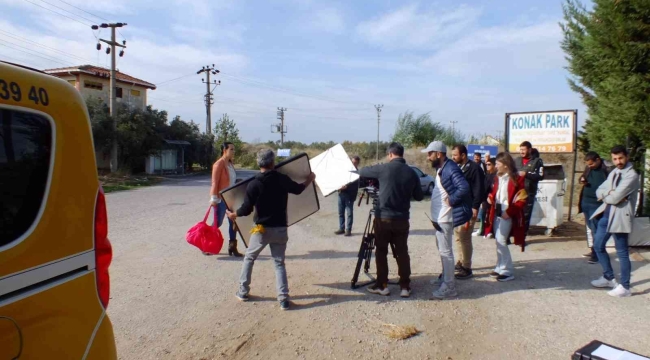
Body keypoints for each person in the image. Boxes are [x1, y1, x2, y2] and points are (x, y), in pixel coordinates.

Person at [226, 149, 316, 310]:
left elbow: (246, 209)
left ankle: (243, 292)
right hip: (280, 228)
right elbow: (298, 189)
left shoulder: (254, 184)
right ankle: (283, 300)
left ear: (258, 163)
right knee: (279, 263)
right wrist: (309, 179)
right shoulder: (282, 179)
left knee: (249, 258)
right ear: (273, 163)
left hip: (261, 230)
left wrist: (234, 214)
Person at [358, 142, 424, 298]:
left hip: (383, 219)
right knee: (402, 252)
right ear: (402, 154)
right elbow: (419, 197)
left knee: (381, 251)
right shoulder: (412, 172)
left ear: (390, 154)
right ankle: (405, 287)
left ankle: (382, 285)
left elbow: (362, 171)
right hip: (402, 219)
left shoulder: (383, 168)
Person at [422, 141, 471, 299]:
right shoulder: (442, 168)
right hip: (439, 218)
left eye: (430, 153)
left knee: (446, 252)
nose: (428, 157)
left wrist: (452, 200)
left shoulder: (450, 168)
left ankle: (449, 287)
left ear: (439, 154)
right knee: (443, 251)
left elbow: (464, 187)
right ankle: (445, 279)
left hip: (444, 218)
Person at [590, 145, 639, 298]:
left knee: (622, 252)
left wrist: (610, 194)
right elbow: (599, 190)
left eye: (621, 158)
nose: (618, 161)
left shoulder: (631, 176)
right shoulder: (614, 172)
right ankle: (608, 277)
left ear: (627, 157)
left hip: (620, 216)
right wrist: (610, 193)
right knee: (598, 246)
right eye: (615, 159)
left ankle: (625, 287)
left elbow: (614, 197)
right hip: (607, 213)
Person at [484, 152, 528, 282]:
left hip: (508, 214)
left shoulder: (518, 179)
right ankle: (499, 266)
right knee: (498, 240)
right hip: (497, 212)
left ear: (505, 165)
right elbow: (495, 193)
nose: (495, 166)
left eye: (498, 164)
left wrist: (509, 212)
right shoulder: (498, 178)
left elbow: (522, 199)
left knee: (501, 240)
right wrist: (490, 197)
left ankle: (507, 270)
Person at [451, 145, 485, 280]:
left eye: (455, 155)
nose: (453, 157)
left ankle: (467, 267)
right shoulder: (458, 168)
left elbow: (479, 189)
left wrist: (475, 207)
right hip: (459, 209)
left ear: (463, 155)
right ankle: (460, 262)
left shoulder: (474, 169)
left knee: (465, 237)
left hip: (469, 208)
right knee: (458, 236)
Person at [209, 142, 241, 257]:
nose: (233, 151)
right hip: (221, 198)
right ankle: (207, 245)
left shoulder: (230, 164)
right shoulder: (218, 164)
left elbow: (231, 181)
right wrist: (213, 198)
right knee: (218, 222)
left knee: (233, 222)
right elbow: (215, 182)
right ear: (225, 150)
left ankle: (232, 247)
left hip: (231, 197)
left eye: (234, 149)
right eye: (231, 149)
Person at [577, 152, 610, 264]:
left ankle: (596, 254)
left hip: (597, 204)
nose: (589, 166)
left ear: (598, 160)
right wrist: (582, 180)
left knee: (596, 229)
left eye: (591, 164)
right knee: (591, 228)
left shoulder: (607, 169)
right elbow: (582, 177)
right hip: (586, 202)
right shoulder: (588, 168)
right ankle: (593, 250)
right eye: (588, 164)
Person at [514, 141, 544, 234]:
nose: (522, 151)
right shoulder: (517, 160)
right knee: (514, 213)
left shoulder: (537, 161)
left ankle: (522, 236)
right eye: (520, 149)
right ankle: (514, 233)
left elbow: (540, 176)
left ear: (529, 150)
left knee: (525, 215)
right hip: (516, 192)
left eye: (524, 149)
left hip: (528, 192)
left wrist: (526, 174)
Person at [335, 156, 361, 236]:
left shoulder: (357, 173)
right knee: (341, 212)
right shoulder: (345, 170)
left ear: (358, 163)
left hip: (350, 195)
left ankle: (348, 230)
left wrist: (347, 186)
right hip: (341, 194)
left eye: (355, 162)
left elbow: (355, 185)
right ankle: (341, 228)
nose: (353, 163)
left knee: (349, 213)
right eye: (352, 162)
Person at [474, 158, 497, 238]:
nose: (487, 166)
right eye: (486, 164)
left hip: (493, 199)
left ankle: (490, 231)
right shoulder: (487, 175)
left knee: (491, 216)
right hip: (485, 198)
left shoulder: (496, 176)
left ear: (494, 165)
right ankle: (482, 230)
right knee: (483, 215)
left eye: (489, 164)